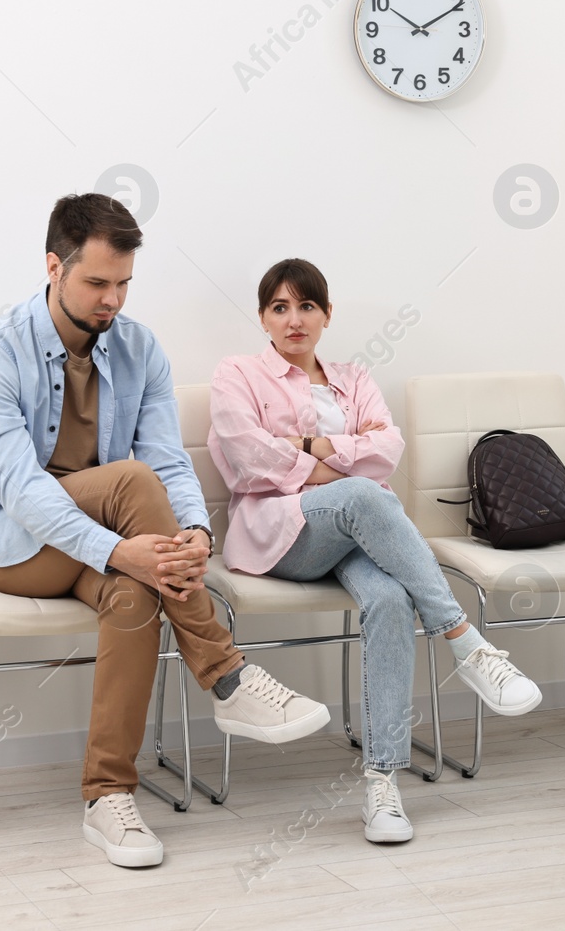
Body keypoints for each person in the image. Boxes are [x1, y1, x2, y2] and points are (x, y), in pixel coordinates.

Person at [0, 195, 329, 869]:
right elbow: (20, 489)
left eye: (123, 282)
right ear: (52, 266)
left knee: (136, 596)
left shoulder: (139, 348)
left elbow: (168, 460)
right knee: (129, 485)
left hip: (108, 539)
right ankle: (226, 674)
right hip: (12, 545)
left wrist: (191, 532)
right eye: (97, 282)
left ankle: (107, 799)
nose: (112, 299)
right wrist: (118, 547)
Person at [207, 258, 542, 844]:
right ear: (263, 317)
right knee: (361, 495)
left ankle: (382, 785)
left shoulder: (355, 378)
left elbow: (387, 449)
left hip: (357, 529)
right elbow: (246, 456)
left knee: (389, 598)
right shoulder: (236, 375)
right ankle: (464, 640)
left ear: (326, 314)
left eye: (307, 306)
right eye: (280, 308)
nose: (294, 320)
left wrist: (306, 447)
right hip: (283, 538)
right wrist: (340, 463)